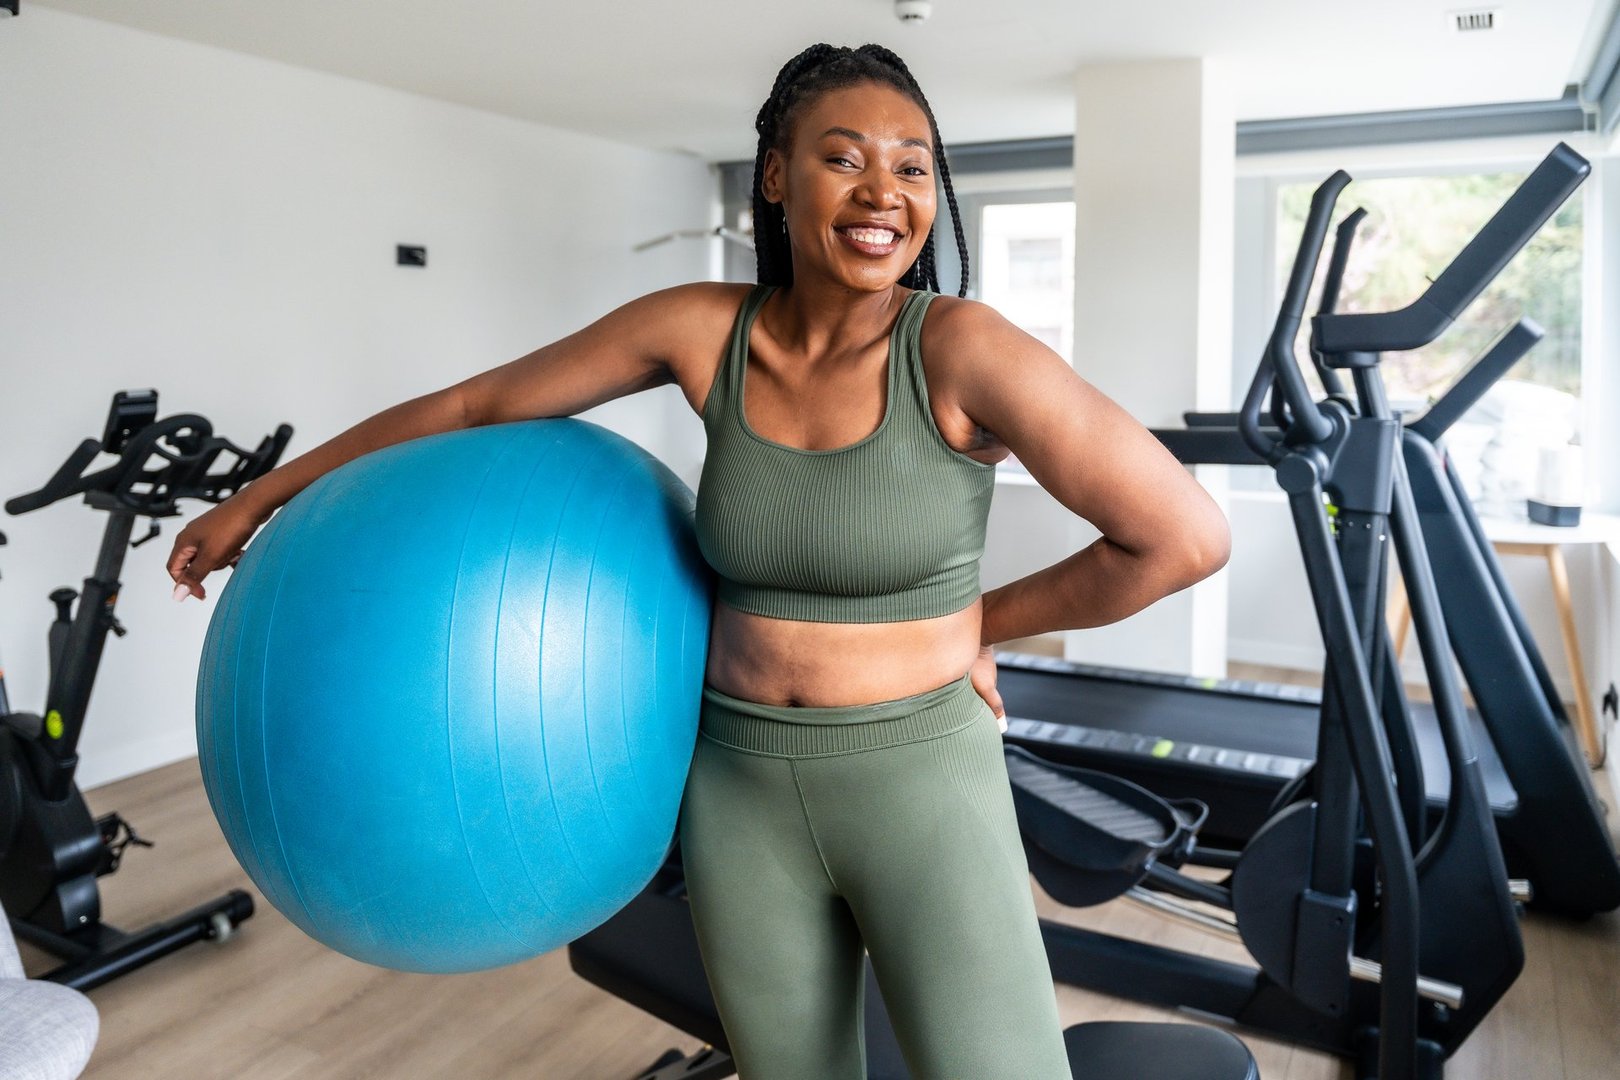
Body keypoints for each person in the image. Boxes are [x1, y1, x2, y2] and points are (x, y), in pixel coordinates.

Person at [168, 42, 1228, 1080]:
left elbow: (1181, 535)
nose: (883, 192)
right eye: (844, 156)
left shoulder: (960, 349)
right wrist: (259, 500)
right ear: (776, 174)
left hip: (922, 784)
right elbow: (474, 407)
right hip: (739, 789)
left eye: (912, 166)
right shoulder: (703, 332)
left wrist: (979, 624)